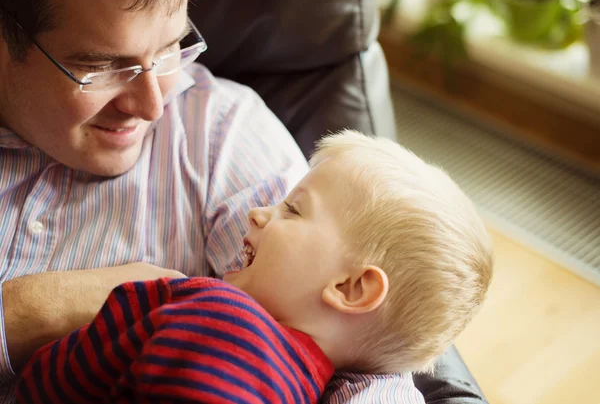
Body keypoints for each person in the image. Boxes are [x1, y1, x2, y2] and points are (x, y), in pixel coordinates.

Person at [0, 0, 432, 402]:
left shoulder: (224, 135)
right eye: (103, 66)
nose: (153, 106)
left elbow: (359, 349)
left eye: (170, 50)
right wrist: (28, 311)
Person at [15, 131, 494, 404]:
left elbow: (51, 379)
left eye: (293, 210)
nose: (258, 213)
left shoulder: (222, 316)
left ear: (350, 287)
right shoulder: (308, 389)